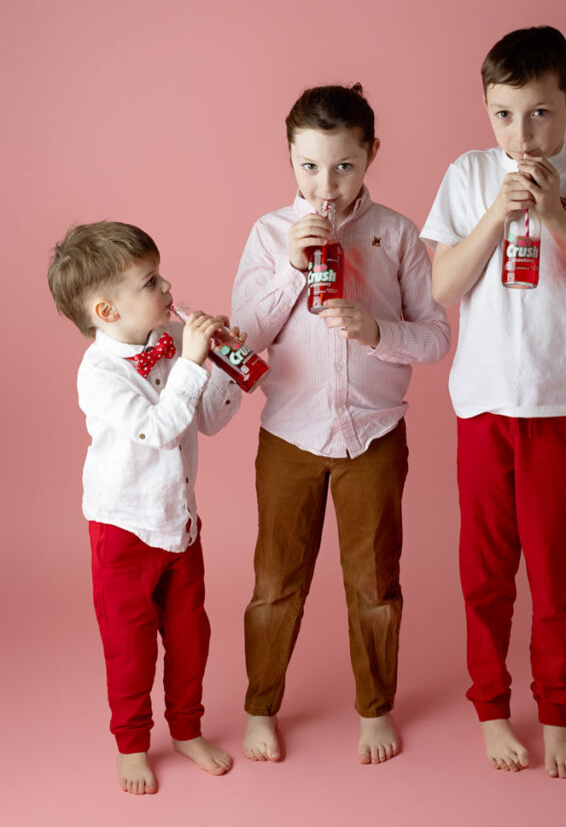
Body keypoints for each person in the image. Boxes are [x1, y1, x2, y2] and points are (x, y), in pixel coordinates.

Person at [421, 26, 566, 778]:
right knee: (483, 575)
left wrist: (556, 216)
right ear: (485, 110)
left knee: (555, 574)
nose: (521, 134)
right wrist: (496, 213)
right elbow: (442, 287)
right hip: (483, 408)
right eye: (502, 114)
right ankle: (492, 709)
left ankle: (557, 712)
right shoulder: (465, 174)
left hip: (559, 408)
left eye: (539, 114)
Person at [231, 83, 451, 765]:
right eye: (308, 166)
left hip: (375, 435)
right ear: (289, 158)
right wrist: (294, 269)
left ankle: (374, 707)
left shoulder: (397, 234)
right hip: (289, 438)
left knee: (373, 584)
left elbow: (436, 337)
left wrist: (374, 328)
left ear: (370, 155)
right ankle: (260, 705)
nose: (325, 183)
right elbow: (243, 336)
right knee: (275, 583)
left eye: (343, 166)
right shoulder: (270, 234)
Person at [48, 220, 241, 794]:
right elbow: (158, 430)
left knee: (190, 637)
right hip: (123, 528)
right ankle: (132, 743)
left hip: (179, 522)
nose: (167, 287)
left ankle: (187, 729)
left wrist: (221, 365)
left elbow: (203, 420)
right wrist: (190, 363)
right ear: (107, 311)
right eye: (150, 281)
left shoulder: (170, 345)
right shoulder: (98, 374)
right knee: (129, 647)